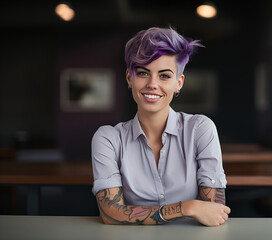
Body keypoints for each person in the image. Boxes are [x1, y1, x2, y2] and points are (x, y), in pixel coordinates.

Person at [91, 27, 230, 226]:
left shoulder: (200, 129)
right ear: (130, 78)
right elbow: (111, 214)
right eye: (143, 73)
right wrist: (188, 207)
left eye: (164, 76)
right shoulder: (107, 138)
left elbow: (215, 213)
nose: (152, 84)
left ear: (178, 83)